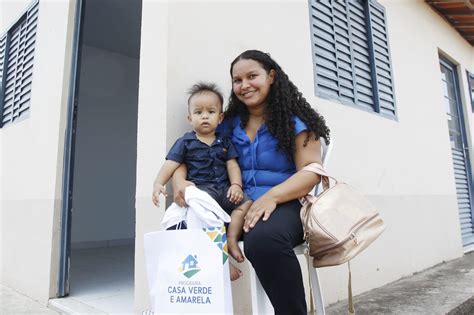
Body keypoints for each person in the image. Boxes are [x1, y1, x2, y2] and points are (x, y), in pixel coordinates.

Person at [172, 50, 330, 314]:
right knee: (181, 227)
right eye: (237, 80)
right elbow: (189, 151)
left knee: (264, 240)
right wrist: (179, 181)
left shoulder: (296, 122)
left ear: (271, 76)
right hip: (234, 203)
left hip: (285, 204)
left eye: (252, 76)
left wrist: (272, 197)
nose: (244, 85)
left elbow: (311, 173)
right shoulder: (226, 124)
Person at [152, 82, 252, 281]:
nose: (204, 116)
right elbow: (171, 164)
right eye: (198, 112)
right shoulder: (185, 142)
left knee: (245, 202)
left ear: (220, 117)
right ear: (190, 119)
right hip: (203, 191)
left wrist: (236, 185)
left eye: (211, 111)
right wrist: (158, 183)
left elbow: (232, 165)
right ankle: (223, 260)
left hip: (223, 190)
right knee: (201, 213)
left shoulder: (224, 142)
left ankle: (231, 239)